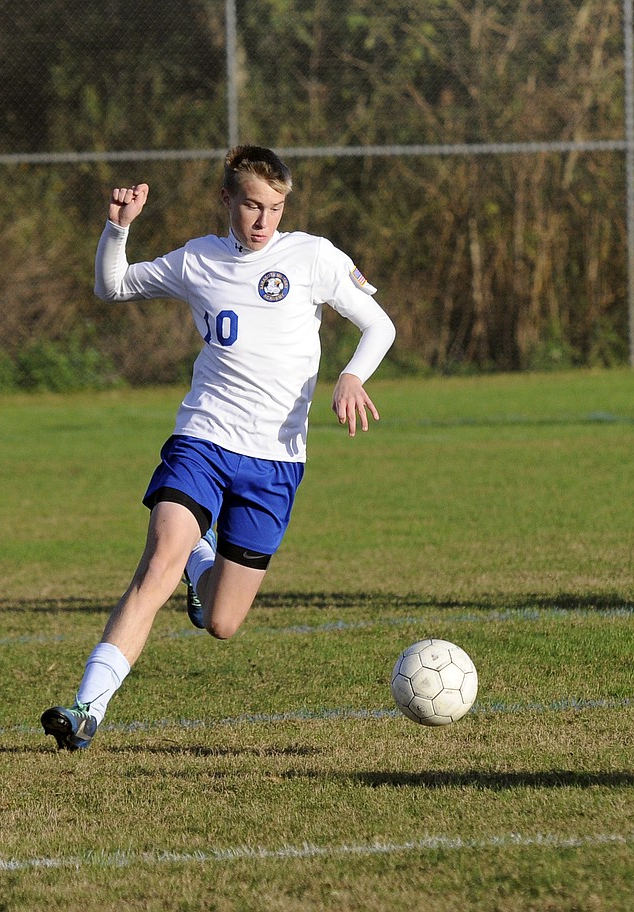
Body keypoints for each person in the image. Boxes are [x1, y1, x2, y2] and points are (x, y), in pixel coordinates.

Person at [41, 145, 396, 749]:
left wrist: (354, 374)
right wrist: (116, 230)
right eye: (252, 206)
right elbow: (113, 287)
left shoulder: (313, 256)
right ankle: (85, 711)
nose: (264, 221)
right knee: (156, 565)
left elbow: (380, 324)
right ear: (227, 200)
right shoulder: (197, 260)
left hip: (276, 460)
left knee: (223, 621)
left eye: (276, 208)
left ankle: (201, 563)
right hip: (203, 438)